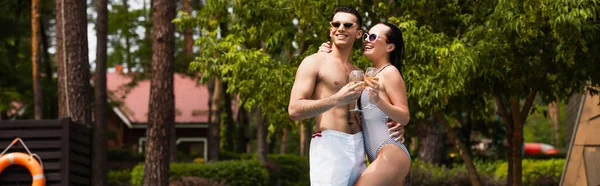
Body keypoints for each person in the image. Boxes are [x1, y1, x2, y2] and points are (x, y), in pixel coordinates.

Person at [288, 6, 405, 186]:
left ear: (358, 33)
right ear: (331, 29)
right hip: (331, 145)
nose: (341, 28)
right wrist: (336, 99)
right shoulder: (314, 62)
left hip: (359, 146)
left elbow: (379, 110)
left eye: (347, 24)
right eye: (336, 23)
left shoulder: (359, 72)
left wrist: (396, 125)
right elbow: (294, 110)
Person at [319, 23, 411, 185]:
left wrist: (378, 101)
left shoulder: (390, 72)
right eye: (367, 36)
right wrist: (324, 54)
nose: (367, 40)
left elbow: (404, 116)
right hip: (376, 155)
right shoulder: (369, 73)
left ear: (390, 47)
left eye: (374, 37)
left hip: (391, 152)